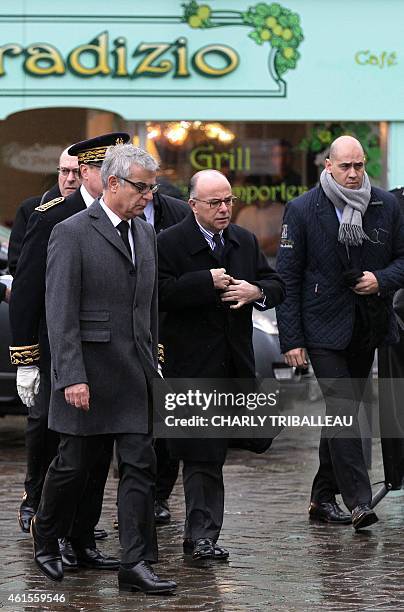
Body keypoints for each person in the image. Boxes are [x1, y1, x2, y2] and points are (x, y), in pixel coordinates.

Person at [31, 143, 177, 594]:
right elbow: (60, 311)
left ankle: (135, 564)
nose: (149, 196)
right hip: (88, 372)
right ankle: (46, 534)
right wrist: (70, 375)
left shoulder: (146, 234)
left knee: (139, 466)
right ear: (112, 183)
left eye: (152, 188)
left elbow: (148, 306)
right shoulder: (71, 231)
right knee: (73, 465)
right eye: (141, 187)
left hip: (134, 372)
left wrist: (154, 362)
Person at [9, 133, 129, 562]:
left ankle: (82, 537)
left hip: (106, 357)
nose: (119, 178)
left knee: (98, 456)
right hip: (60, 351)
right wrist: (26, 358)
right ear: (88, 173)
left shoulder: (127, 221)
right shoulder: (52, 217)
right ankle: (50, 527)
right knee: (65, 448)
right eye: (108, 170)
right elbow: (25, 292)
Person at [276, 135, 404, 530]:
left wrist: (379, 280)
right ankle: (359, 502)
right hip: (321, 325)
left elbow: (402, 260)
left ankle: (321, 496)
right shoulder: (302, 209)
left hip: (366, 325)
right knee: (346, 406)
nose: (352, 174)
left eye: (359, 166)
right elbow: (287, 277)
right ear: (328, 166)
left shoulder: (386, 205)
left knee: (342, 411)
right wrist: (291, 339)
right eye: (344, 166)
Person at [157, 169, 285, 561]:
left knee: (214, 454)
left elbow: (276, 284)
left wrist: (256, 291)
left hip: (234, 365)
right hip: (190, 368)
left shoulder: (243, 241)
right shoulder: (170, 242)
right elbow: (157, 293)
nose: (224, 208)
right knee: (201, 455)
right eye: (214, 202)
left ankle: (202, 535)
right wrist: (203, 282)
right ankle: (199, 538)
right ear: (193, 204)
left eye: (228, 200)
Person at [8, 147, 81, 275]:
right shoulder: (30, 209)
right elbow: (17, 265)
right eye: (64, 171)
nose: (70, 178)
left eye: (76, 171)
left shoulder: (96, 209)